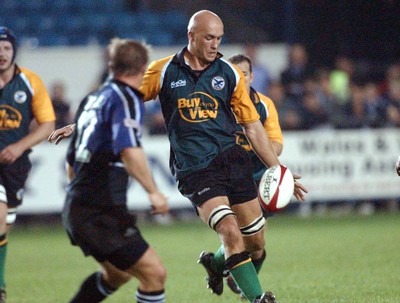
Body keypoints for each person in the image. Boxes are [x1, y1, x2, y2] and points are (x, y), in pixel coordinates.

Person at [48, 10, 301, 303]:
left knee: (254, 240)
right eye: (209, 38)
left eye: (219, 39)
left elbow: (252, 126)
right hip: (195, 168)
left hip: (233, 160)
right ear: (191, 36)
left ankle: (216, 263)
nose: (214, 45)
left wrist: (277, 170)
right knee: (230, 231)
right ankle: (258, 299)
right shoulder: (165, 70)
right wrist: (78, 124)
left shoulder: (229, 73)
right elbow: (119, 98)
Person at [50, 38, 169, 303]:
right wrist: (154, 192)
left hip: (79, 206)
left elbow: (72, 161)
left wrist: (78, 196)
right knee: (154, 274)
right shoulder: (126, 98)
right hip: (100, 211)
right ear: (143, 68)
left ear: (112, 65)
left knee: (117, 275)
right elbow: (129, 149)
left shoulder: (93, 98)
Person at [223, 54, 307, 297]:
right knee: (238, 234)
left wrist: (267, 155)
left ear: (252, 76)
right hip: (230, 176)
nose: (240, 79)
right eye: (235, 74)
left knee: (257, 246)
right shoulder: (219, 105)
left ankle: (224, 270)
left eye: (244, 74)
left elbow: (276, 143)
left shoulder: (263, 104)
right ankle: (232, 277)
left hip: (261, 177)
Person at [0, 27, 56, 303]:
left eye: (6, 48)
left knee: (5, 224)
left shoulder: (30, 81)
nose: (1, 53)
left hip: (15, 165)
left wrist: (19, 146)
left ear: (14, 51)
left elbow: (48, 124)